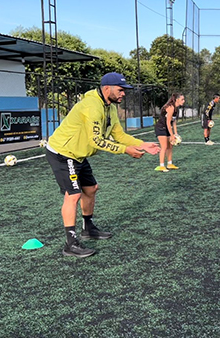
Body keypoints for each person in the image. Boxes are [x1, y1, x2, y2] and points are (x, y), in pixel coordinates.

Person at [45, 72, 161, 258]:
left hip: (79, 155)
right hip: (63, 153)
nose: (124, 94)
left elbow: (119, 135)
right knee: (73, 194)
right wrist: (126, 150)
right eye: (121, 90)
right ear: (107, 88)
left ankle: (88, 228)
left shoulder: (110, 107)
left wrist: (142, 144)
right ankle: (70, 243)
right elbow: (97, 141)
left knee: (91, 189)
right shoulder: (92, 106)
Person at [155, 93, 185, 172]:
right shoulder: (170, 107)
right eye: (182, 99)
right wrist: (171, 135)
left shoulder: (176, 109)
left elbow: (173, 122)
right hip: (161, 128)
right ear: (177, 100)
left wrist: (175, 134)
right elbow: (168, 122)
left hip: (167, 128)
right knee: (164, 147)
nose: (183, 101)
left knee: (170, 146)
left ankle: (169, 164)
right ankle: (161, 165)